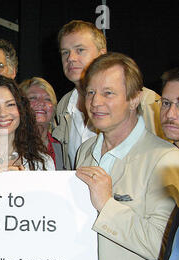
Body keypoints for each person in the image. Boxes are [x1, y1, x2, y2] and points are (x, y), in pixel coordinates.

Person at [75, 53, 179, 260]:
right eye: (90, 92)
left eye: (108, 93)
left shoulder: (167, 160)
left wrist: (107, 205)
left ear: (134, 99)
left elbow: (165, 249)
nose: (95, 102)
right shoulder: (85, 151)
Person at [52, 20, 165, 170]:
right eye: (65, 52)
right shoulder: (63, 106)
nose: (71, 58)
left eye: (80, 50)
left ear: (102, 53)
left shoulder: (148, 102)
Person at [19, 77, 63, 170]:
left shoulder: (60, 147)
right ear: (20, 106)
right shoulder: (12, 144)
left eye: (47, 99)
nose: (41, 103)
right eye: (33, 98)